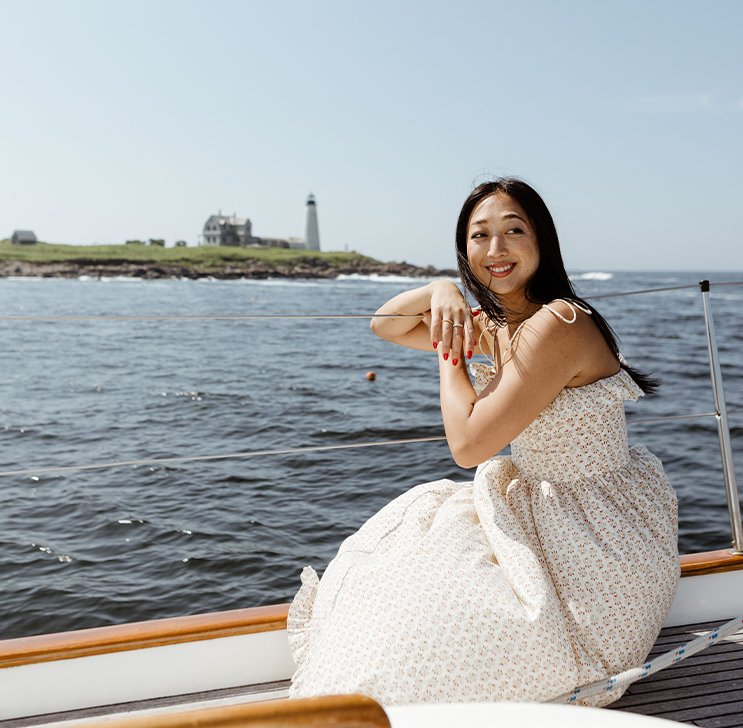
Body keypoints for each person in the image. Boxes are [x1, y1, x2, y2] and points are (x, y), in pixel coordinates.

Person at [287, 178, 679, 707]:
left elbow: (468, 447)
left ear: (542, 240)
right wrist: (439, 291)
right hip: (540, 510)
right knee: (398, 578)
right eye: (479, 235)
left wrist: (449, 355)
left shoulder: (557, 323)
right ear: (464, 248)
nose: (496, 248)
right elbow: (385, 324)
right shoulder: (500, 323)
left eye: (513, 230)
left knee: (429, 620)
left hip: (595, 540)